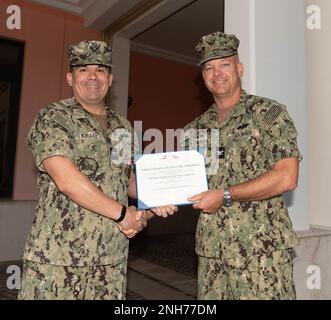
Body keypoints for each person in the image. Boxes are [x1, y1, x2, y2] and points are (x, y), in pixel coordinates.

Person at [18, 40, 175, 300]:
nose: (93, 76)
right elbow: (66, 179)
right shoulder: (54, 117)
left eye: (100, 70)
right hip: (59, 259)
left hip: (110, 258)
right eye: (83, 69)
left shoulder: (123, 127)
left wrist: (158, 197)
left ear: (110, 79)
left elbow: (128, 180)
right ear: (70, 77)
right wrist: (124, 214)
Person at [182, 32, 302, 300]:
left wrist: (225, 195)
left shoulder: (269, 114)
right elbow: (181, 184)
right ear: (203, 78)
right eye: (209, 67)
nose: (217, 73)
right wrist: (145, 208)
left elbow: (286, 177)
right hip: (212, 254)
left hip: (261, 252)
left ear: (239, 68)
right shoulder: (194, 130)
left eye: (225, 64)